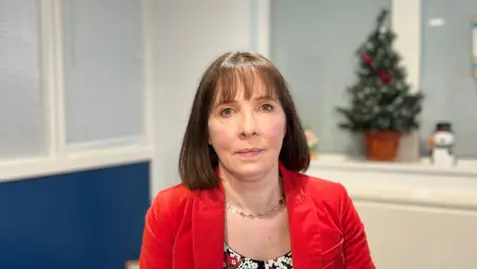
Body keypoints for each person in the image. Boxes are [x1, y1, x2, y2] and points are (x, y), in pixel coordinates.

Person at [139, 52, 375, 269]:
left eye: (265, 107)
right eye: (228, 111)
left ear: (286, 124)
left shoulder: (334, 203)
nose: (248, 129)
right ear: (206, 133)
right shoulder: (170, 211)